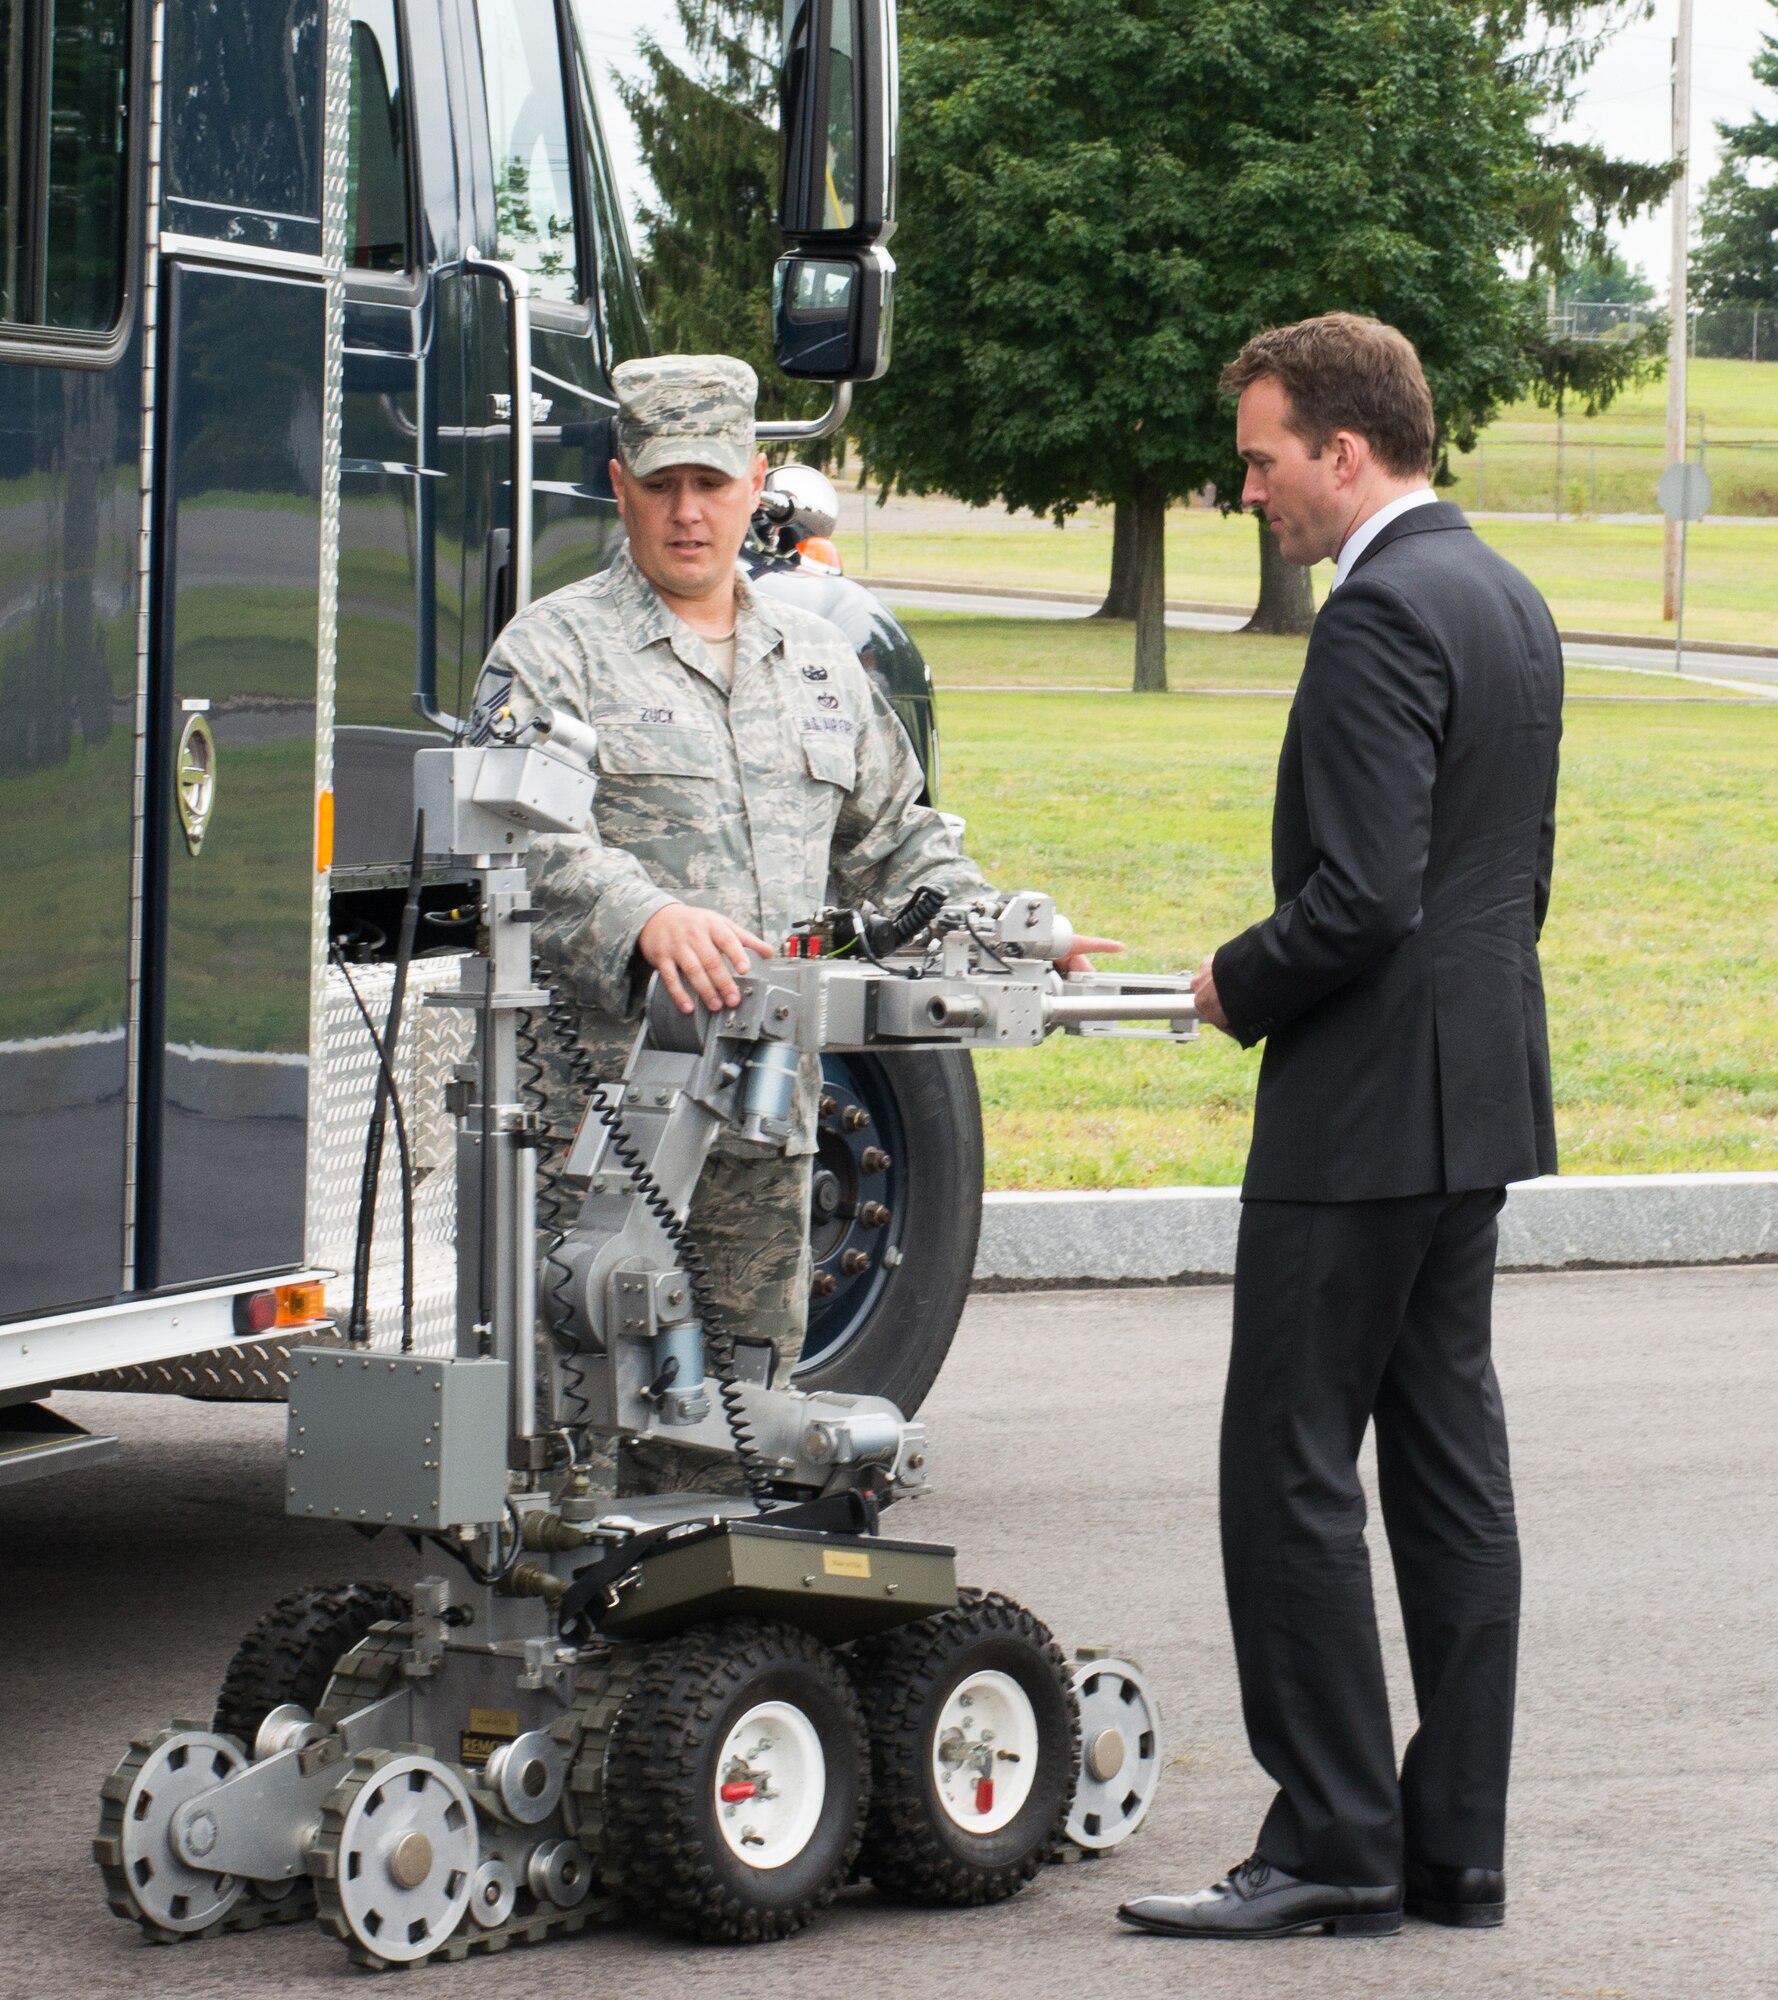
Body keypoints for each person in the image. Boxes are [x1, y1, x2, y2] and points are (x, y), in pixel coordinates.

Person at [470, 354, 1111, 1493]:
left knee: (740, 1429)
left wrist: (1009, 928)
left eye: (711, 482)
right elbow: (516, 845)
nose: (686, 511)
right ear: (619, 483)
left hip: (763, 1134)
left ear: (754, 481)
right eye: (661, 482)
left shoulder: (816, 663)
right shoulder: (550, 653)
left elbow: (892, 840)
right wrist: (647, 913)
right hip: (601, 1140)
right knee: (579, 1460)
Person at [1119, 315, 1562, 1942]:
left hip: (1358, 1107)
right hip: (1475, 1099)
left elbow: (1366, 896)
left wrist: (1235, 979)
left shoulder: (1376, 615)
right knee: (1449, 1474)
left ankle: (1328, 1842)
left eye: (1259, 456)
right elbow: (1500, 878)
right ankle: (1449, 1848)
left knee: (1286, 1465)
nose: (1246, 488)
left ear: (1343, 453)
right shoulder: (1507, 600)